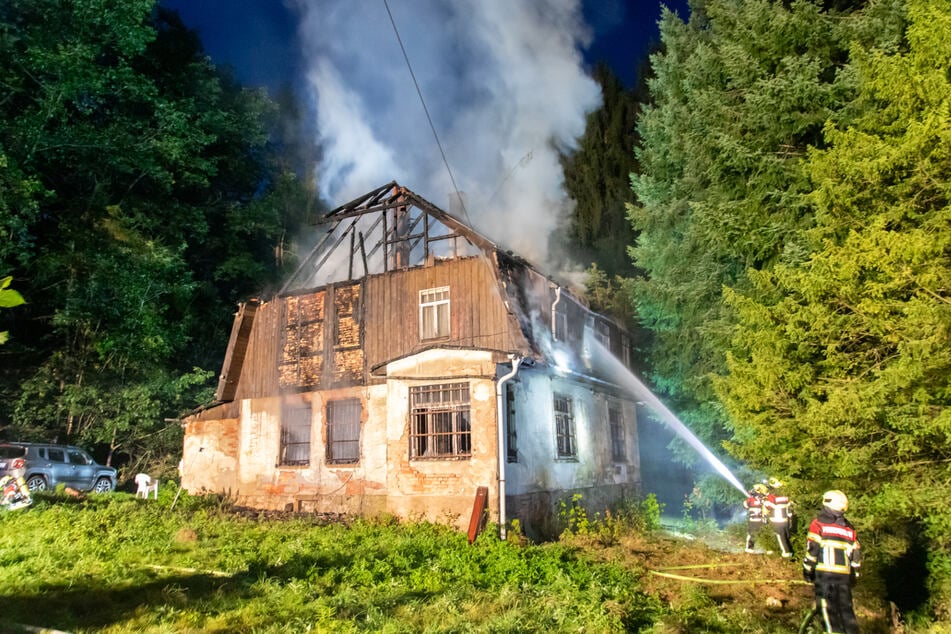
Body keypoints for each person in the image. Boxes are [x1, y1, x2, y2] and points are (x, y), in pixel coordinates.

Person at [803, 490, 862, 634]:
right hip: (844, 578)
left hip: (824, 577)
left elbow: (812, 551)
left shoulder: (818, 524)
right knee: (847, 614)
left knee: (828, 614)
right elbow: (856, 556)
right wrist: (854, 576)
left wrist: (807, 571)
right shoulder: (849, 528)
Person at [763, 477, 794, 557]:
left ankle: (786, 553)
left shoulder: (772, 496)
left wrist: (765, 502)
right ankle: (790, 552)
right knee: (787, 535)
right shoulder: (786, 494)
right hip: (786, 519)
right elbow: (790, 505)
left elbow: (768, 507)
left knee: (781, 536)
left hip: (776, 519)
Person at [743, 483, 768, 553]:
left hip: (753, 520)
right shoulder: (763, 499)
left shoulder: (750, 499)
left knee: (751, 534)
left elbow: (745, 506)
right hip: (761, 520)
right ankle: (767, 548)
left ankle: (749, 548)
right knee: (762, 534)